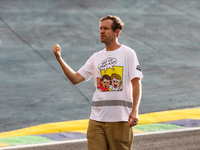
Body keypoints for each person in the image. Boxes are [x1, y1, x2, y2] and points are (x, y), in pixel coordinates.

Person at [52, 15, 143, 150]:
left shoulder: (128, 53)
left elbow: (136, 83)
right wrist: (59, 59)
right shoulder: (96, 57)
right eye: (100, 28)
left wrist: (135, 110)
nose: (101, 31)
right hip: (97, 120)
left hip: (120, 119)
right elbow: (75, 78)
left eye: (106, 28)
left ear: (116, 32)